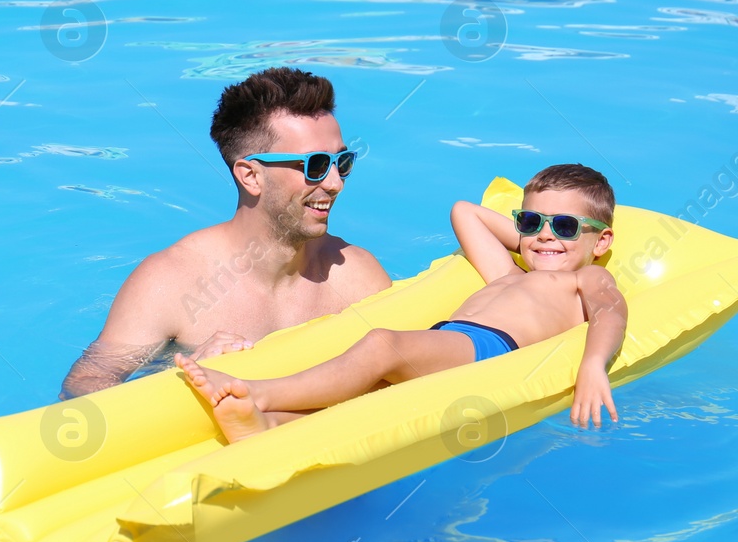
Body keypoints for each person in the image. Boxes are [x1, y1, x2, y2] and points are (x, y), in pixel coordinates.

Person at [177, 164, 628, 440]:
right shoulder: (509, 273)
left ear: (602, 240)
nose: (546, 235)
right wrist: (542, 241)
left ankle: (257, 390)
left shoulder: (587, 277)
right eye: (532, 222)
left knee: (380, 345)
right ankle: (270, 425)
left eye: (565, 227)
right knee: (363, 397)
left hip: (489, 349)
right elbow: (464, 211)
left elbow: (611, 311)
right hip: (449, 345)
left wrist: (593, 365)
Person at [60, 68, 392, 399]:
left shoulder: (357, 276)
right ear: (251, 176)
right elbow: (83, 386)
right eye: (315, 165)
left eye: (343, 162)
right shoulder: (170, 283)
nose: (335, 183)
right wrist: (181, 375)